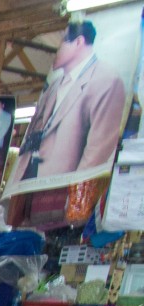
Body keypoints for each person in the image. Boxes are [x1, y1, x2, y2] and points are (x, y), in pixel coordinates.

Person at [8, 20, 128, 187]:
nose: (56, 51)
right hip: (29, 181)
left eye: (63, 42)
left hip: (59, 190)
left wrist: (73, 200)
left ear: (78, 42)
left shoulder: (107, 80)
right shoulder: (55, 84)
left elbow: (97, 151)